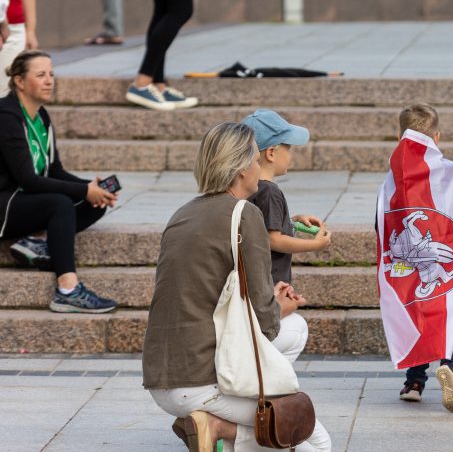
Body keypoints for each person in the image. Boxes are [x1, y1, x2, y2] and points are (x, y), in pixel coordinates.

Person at [144, 122, 331, 451]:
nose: (259, 167)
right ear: (242, 168)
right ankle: (216, 425)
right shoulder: (244, 214)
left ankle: (216, 429)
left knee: (293, 337)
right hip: (201, 379)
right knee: (312, 438)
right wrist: (279, 308)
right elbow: (265, 320)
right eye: (255, 161)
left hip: (161, 377)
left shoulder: (181, 214)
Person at [0, 50, 118, 313]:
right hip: (5, 204)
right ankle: (67, 289)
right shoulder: (6, 117)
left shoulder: (41, 116)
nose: (49, 80)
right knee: (60, 204)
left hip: (24, 201)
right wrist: (82, 190)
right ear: (19, 81)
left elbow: (54, 170)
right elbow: (27, 180)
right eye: (40, 75)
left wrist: (92, 188)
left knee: (94, 204)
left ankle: (37, 244)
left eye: (51, 74)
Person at [383, 104, 453, 412]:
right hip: (444, 256)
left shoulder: (392, 181)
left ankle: (415, 381)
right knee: (450, 310)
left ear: (399, 137)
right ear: (437, 137)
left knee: (416, 311)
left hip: (407, 262)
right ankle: (451, 369)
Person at [240, 108, 333, 286]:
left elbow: (260, 227)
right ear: (271, 153)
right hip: (271, 284)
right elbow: (272, 239)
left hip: (254, 280)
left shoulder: (246, 187)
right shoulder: (269, 192)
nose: (291, 155)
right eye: (288, 148)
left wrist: (291, 222)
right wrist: (315, 245)